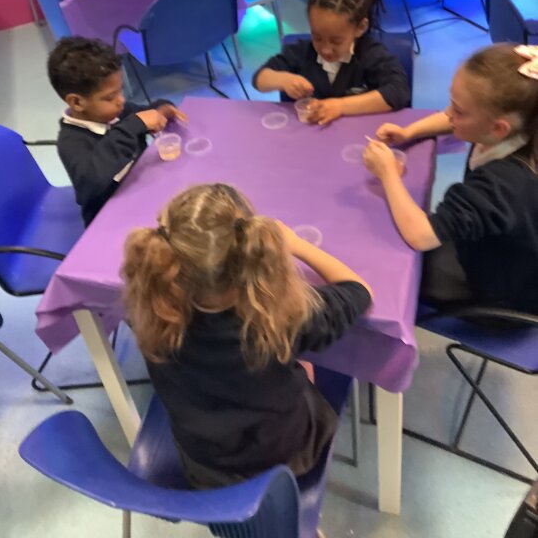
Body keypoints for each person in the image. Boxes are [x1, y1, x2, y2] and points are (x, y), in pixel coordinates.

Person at [122, 183, 372, 488]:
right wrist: (296, 244)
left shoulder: (151, 313)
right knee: (305, 368)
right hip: (283, 458)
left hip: (203, 464)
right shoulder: (281, 320)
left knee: (291, 370)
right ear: (254, 255)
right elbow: (359, 290)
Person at [363, 43, 538, 314]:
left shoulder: (499, 185)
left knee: (384, 274)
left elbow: (421, 236)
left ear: (498, 128)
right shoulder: (520, 125)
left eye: (458, 109)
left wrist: (387, 173)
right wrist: (410, 131)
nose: (448, 114)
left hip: (501, 293)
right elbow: (454, 121)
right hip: (506, 254)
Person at [47, 36, 187, 225]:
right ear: (77, 102)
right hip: (108, 216)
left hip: (143, 190)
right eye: (110, 97)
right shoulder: (71, 142)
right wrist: (134, 125)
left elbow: (144, 113)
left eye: (120, 91)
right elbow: (90, 180)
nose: (121, 100)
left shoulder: (116, 111)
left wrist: (161, 109)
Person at [253, 0, 410, 125]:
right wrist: (284, 80)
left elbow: (399, 91)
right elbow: (259, 78)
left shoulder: (371, 54)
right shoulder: (302, 52)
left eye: (336, 41)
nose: (325, 49)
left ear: (360, 27)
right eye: (317, 38)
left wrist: (339, 106)